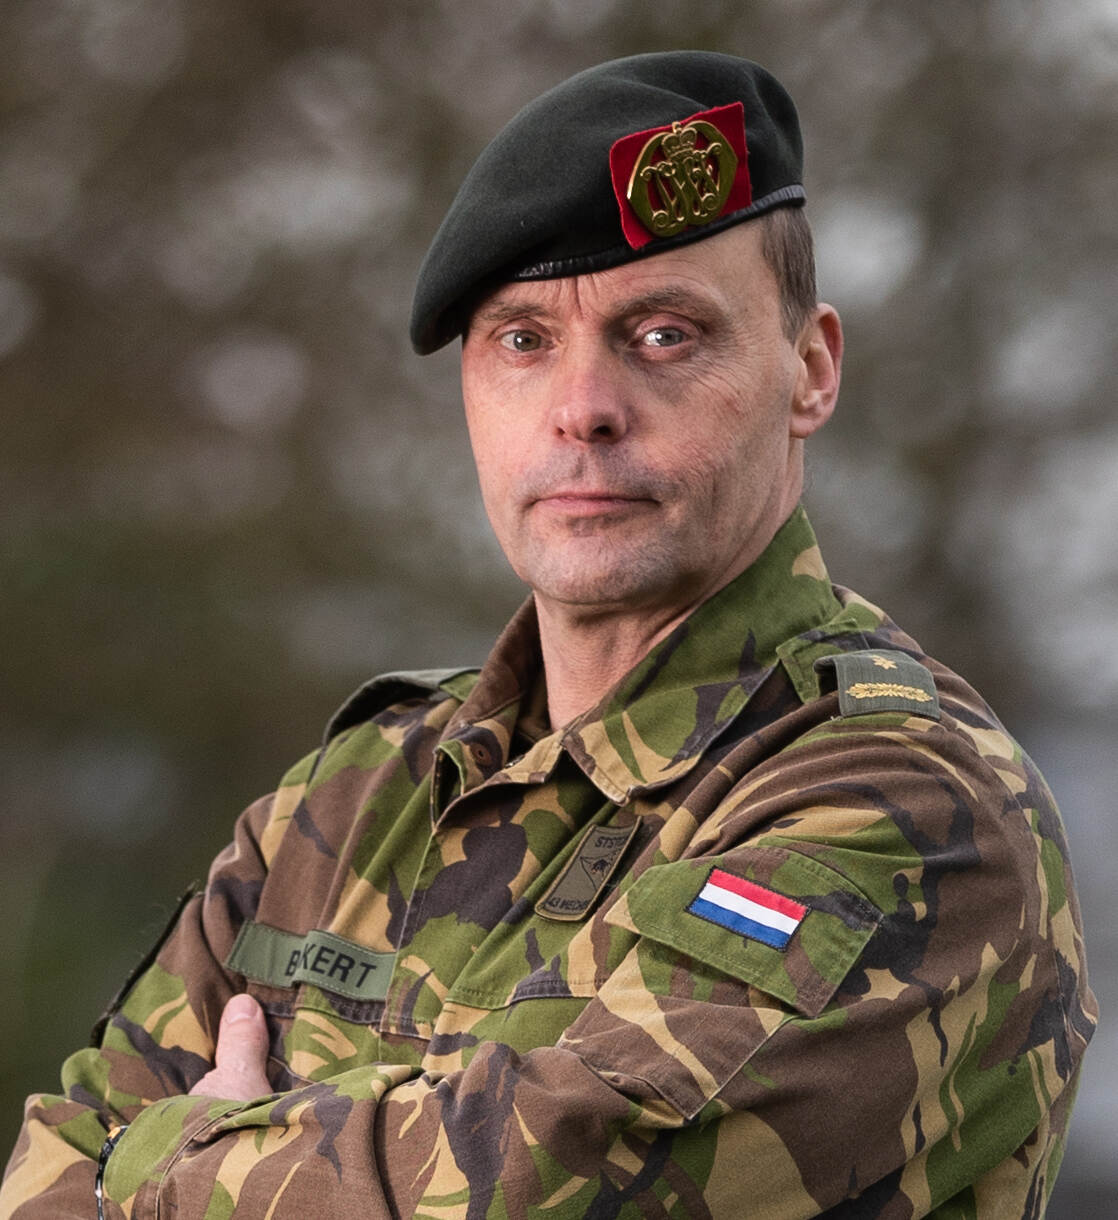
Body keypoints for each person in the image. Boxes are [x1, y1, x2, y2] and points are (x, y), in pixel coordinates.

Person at [0, 51, 1096, 1219]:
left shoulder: (911, 811)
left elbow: (524, 1195)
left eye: (663, 334)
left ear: (809, 370)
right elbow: (50, 1170)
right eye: (522, 340)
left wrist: (179, 1158)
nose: (582, 408)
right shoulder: (351, 798)